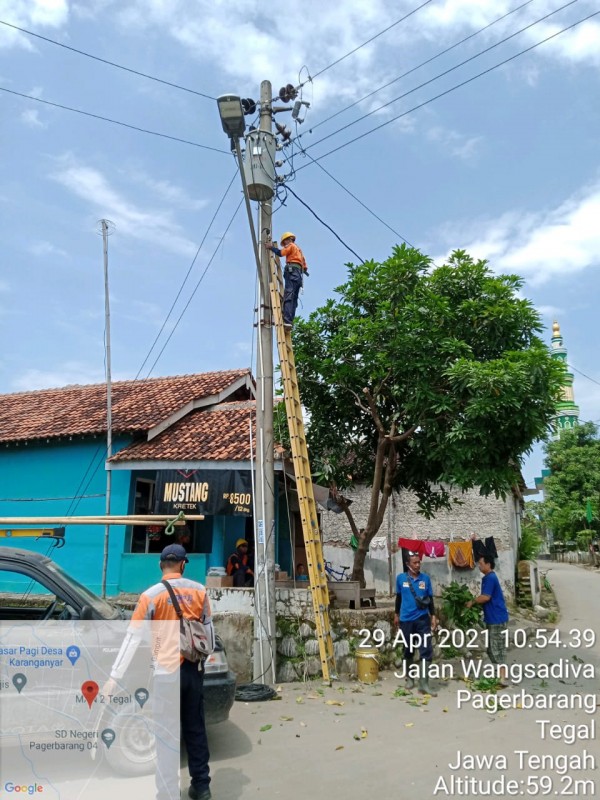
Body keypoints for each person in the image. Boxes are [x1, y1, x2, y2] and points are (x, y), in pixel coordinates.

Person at [108, 544, 214, 800]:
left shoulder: (150, 596)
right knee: (195, 729)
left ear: (160, 565)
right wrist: (204, 661)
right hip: (193, 670)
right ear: (183, 564)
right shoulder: (200, 591)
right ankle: (201, 786)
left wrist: (114, 677)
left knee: (166, 735)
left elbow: (133, 638)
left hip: (166, 674)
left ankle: (168, 792)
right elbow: (209, 632)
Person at [393, 551, 438, 695]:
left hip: (422, 619)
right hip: (406, 620)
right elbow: (399, 598)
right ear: (408, 564)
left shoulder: (425, 579)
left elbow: (430, 599)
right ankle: (410, 679)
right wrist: (396, 614)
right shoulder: (401, 579)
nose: (418, 565)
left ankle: (424, 684)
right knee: (408, 650)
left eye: (419, 562)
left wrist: (433, 616)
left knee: (426, 650)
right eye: (415, 562)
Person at [466, 554, 510, 687]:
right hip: (492, 618)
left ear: (488, 564)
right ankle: (499, 674)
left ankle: (502, 677)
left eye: (481, 564)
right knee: (491, 648)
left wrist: (472, 602)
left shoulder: (490, 578)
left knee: (497, 647)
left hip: (497, 618)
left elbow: (486, 597)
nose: (479, 566)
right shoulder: (487, 578)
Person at [266, 232, 308, 329]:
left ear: (288, 239)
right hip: (298, 276)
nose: (284, 244)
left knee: (289, 295)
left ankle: (287, 320)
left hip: (292, 272)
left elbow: (281, 253)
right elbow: (305, 267)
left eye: (284, 242)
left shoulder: (291, 246)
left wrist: (271, 247)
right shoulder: (299, 250)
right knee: (294, 299)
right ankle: (290, 321)